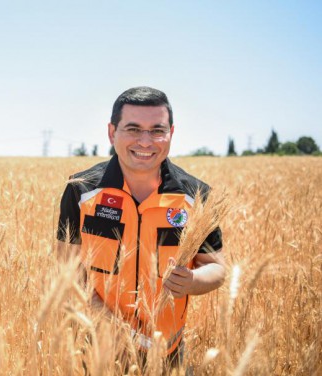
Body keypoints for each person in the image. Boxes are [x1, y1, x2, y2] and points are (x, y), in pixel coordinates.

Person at [57, 86, 226, 367]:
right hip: (97, 350)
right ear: (112, 132)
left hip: (167, 353)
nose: (145, 142)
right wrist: (110, 325)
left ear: (171, 133)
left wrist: (194, 281)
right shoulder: (81, 190)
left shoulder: (197, 196)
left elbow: (218, 267)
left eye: (157, 130)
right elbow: (68, 270)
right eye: (133, 129)